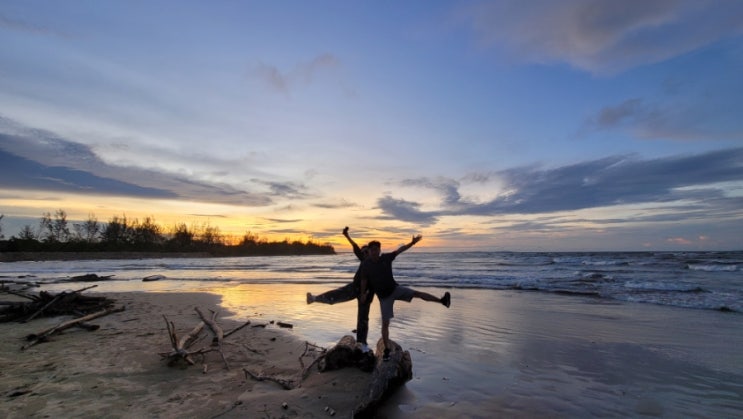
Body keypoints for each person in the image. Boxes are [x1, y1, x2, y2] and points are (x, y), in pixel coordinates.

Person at [359, 235, 450, 361]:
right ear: (369, 251)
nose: (374, 252)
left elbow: (400, 250)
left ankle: (442, 301)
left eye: (376, 249)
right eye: (372, 249)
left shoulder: (386, 258)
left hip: (395, 289)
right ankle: (386, 350)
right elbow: (364, 280)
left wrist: (412, 243)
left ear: (380, 250)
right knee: (385, 324)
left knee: (417, 294)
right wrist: (363, 294)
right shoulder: (366, 265)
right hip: (384, 298)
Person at [306, 227, 374, 352]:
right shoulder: (364, 259)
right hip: (355, 287)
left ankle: (361, 343)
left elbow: (379, 282)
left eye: (366, 252)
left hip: (367, 294)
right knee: (336, 296)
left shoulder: (377, 263)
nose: (364, 253)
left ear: (371, 252)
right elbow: (355, 246)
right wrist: (346, 236)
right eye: (363, 252)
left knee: (363, 318)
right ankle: (314, 298)